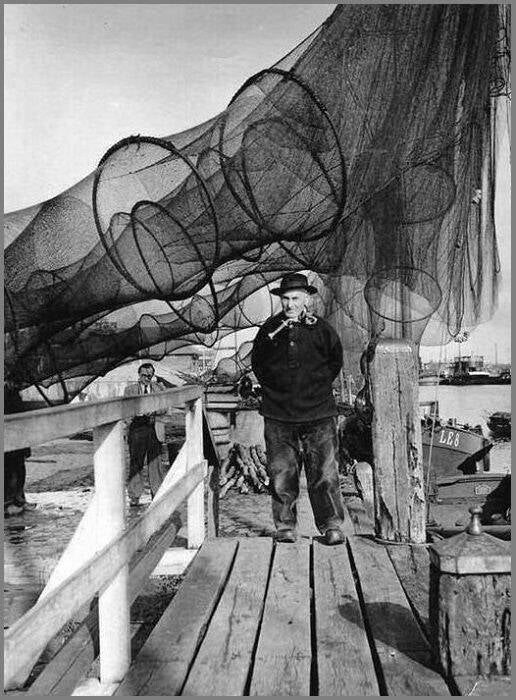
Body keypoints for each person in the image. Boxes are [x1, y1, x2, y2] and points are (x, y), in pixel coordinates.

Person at [251, 273, 347, 545]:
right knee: (282, 474)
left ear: (307, 299)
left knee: (324, 473)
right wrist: (278, 392)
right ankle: (285, 526)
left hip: (319, 414)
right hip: (278, 415)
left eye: (295, 298)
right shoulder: (269, 330)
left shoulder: (323, 330)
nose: (290, 304)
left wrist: (314, 389)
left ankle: (331, 525)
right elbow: (258, 365)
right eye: (285, 299)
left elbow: (335, 362)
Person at [124, 363, 168, 506]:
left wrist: (153, 411)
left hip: (154, 428)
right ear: (139, 375)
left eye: (150, 376)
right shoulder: (130, 390)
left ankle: (157, 494)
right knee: (136, 463)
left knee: (155, 463)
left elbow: (165, 408)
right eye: (144, 375)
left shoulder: (158, 389)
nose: (147, 378)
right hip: (137, 429)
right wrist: (135, 413)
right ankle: (134, 496)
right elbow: (126, 409)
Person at [4, 380, 37, 516]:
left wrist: (26, 446)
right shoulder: (6, 394)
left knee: (19, 469)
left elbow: (22, 418)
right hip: (8, 438)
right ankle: (8, 503)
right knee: (9, 472)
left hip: (19, 438)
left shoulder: (14, 393)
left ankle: (19, 500)